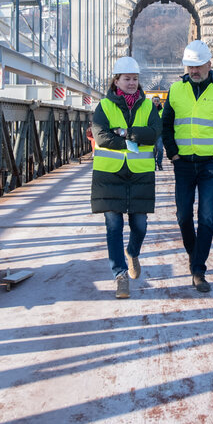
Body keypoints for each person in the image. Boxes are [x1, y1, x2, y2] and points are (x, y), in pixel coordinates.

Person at [162, 40, 213, 292]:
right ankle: (195, 256)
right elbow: (166, 126)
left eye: (198, 66)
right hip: (183, 164)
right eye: (189, 66)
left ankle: (198, 270)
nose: (193, 71)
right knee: (183, 216)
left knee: (206, 217)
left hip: (209, 166)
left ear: (209, 64)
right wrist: (172, 153)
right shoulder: (175, 90)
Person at [90, 56, 162, 299]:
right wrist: (131, 139)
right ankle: (120, 275)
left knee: (139, 226)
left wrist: (124, 132)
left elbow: (154, 134)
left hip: (139, 174)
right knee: (113, 226)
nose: (132, 83)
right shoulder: (104, 106)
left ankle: (133, 252)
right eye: (127, 79)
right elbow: (101, 137)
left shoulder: (149, 106)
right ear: (116, 80)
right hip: (110, 174)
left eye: (135, 79)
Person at [151, 95, 165, 171]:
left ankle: (159, 163)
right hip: (152, 133)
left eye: (157, 101)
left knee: (160, 149)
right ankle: (153, 164)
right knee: (153, 149)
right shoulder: (149, 110)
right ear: (152, 101)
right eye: (155, 101)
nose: (156, 102)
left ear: (159, 102)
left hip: (160, 133)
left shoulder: (162, 110)